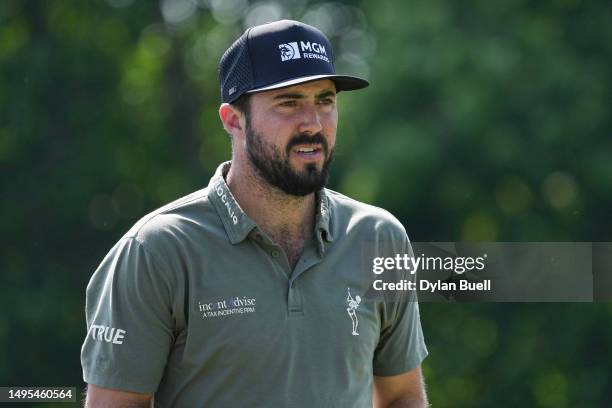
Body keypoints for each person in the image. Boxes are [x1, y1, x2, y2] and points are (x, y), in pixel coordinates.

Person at [81, 19, 428, 407]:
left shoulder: (379, 238)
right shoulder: (157, 250)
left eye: (325, 100)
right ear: (234, 120)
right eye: (289, 102)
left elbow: (401, 397)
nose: (312, 123)